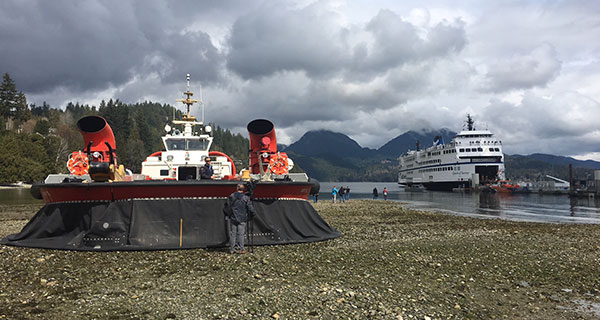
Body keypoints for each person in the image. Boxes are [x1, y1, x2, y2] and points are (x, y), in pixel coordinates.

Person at [226, 183, 256, 254]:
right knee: (241, 234)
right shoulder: (246, 198)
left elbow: (228, 204)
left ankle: (232, 249)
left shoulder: (232, 196)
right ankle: (241, 249)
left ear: (237, 188)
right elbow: (250, 208)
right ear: (243, 189)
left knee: (233, 234)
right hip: (242, 218)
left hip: (233, 217)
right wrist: (254, 213)